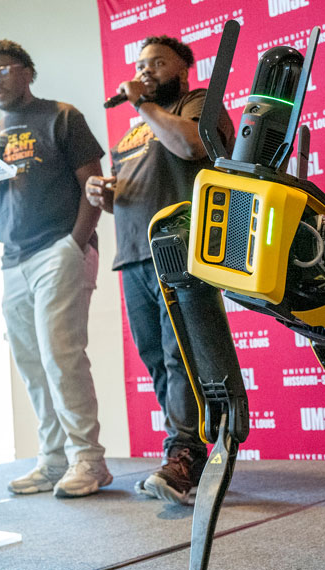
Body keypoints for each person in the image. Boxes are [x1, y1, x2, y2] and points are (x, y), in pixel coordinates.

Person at [85, 35, 233, 504]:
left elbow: (192, 149)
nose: (145, 70)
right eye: (140, 64)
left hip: (180, 249)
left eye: (157, 63)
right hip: (133, 255)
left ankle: (184, 456)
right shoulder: (135, 129)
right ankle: (183, 452)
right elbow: (140, 189)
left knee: (181, 355)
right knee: (157, 360)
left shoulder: (197, 103)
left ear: (183, 67)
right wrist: (105, 197)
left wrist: (143, 105)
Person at [0, 39, 112, 498]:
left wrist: (76, 243)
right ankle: (54, 460)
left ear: (27, 72)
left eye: (2, 70)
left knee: (61, 355)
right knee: (32, 364)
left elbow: (91, 182)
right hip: (12, 259)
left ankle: (88, 461)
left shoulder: (62, 116)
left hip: (59, 248)